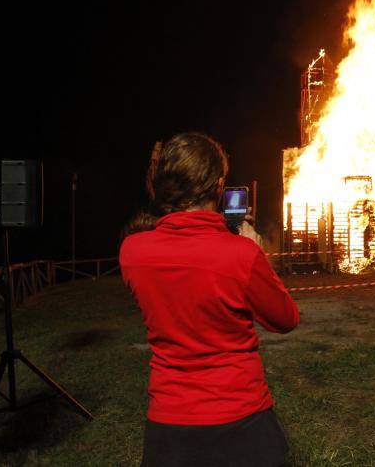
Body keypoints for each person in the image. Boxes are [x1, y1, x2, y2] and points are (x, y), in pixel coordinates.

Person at [120, 132, 299, 467]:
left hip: (169, 423)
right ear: (218, 187)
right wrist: (255, 251)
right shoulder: (241, 255)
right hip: (242, 418)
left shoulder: (133, 252)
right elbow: (285, 319)